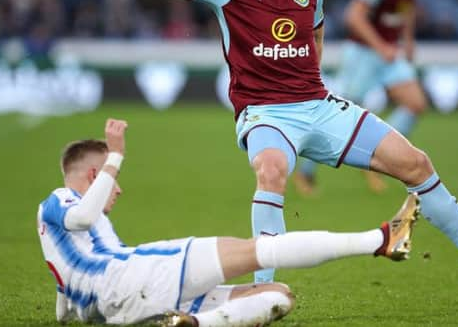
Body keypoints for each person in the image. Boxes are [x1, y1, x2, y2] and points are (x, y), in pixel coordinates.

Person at [65, 0, 458, 287]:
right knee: (271, 170)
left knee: (416, 163)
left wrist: (312, 81)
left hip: (317, 105)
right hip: (265, 114)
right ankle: (262, 287)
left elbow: (314, 40)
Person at [36, 118, 420, 326]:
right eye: (109, 178)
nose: (116, 189)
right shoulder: (62, 200)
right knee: (259, 250)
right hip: (136, 276)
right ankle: (380, 239)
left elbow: (64, 293)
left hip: (123, 308)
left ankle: (193, 325)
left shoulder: (67, 238)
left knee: (278, 295)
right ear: (92, 175)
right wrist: (114, 156)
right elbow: (83, 215)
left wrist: (67, 313)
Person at [295, 0, 428, 195]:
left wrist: (409, 40)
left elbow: (407, 8)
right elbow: (353, 16)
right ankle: (305, 172)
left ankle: (380, 160)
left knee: (415, 103)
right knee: (335, 116)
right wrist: (381, 46)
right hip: (364, 55)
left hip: (389, 53)